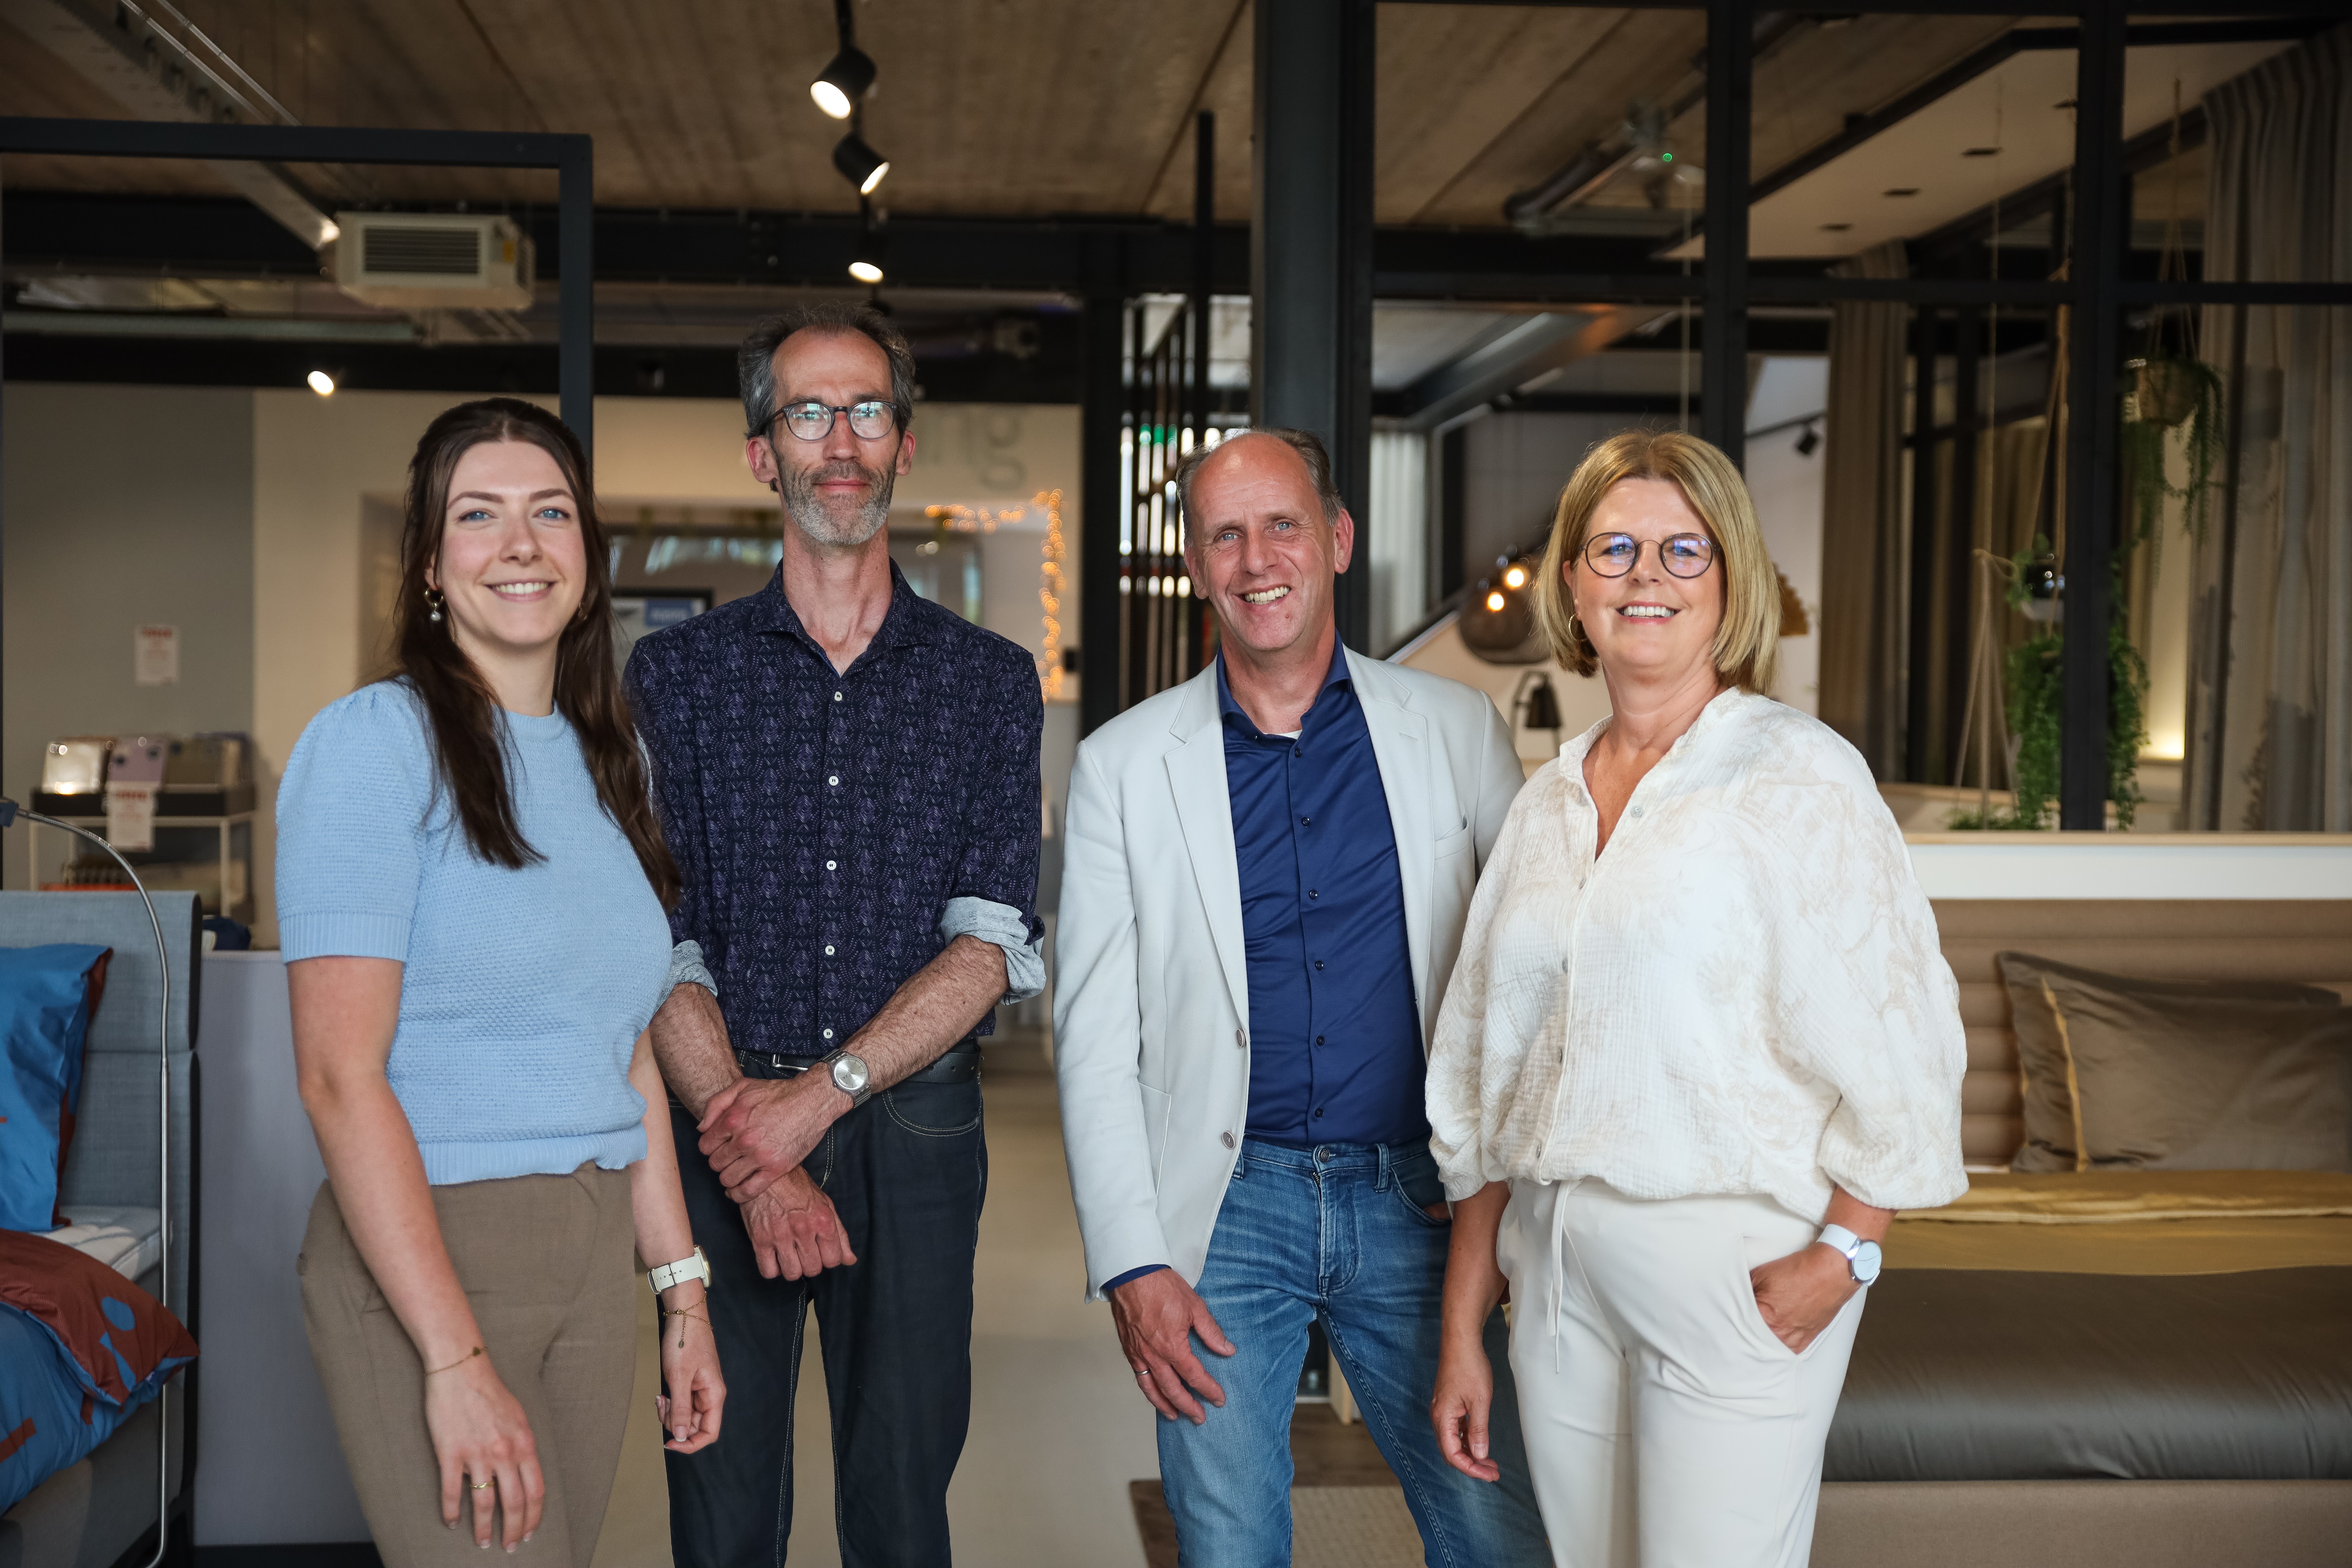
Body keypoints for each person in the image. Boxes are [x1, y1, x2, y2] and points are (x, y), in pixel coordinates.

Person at [1424, 429, 1967, 1568]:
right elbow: (1487, 1073)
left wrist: (1849, 1253)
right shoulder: (1547, 802)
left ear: (1733, 579)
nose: (1647, 576)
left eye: (1685, 549)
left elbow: (1906, 1038)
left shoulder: (1798, 776)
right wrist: (1463, 1323)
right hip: (1556, 1271)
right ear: (1573, 582)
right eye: (1614, 548)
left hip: (1733, 1264)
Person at [1056, 428, 1551, 1567]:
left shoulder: (1454, 732)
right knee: (1227, 1548)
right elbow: (1093, 1038)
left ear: (1337, 539)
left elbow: (1524, 982)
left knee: (1494, 1534)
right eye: (1225, 536)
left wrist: (1512, 1204)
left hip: (1420, 1202)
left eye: (1283, 525)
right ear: (1195, 564)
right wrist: (1133, 1261)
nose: (1256, 559)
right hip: (1225, 1212)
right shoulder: (1124, 768)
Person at [625, 302, 1045, 1566]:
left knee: (902, 1507)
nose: (842, 440)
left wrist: (815, 1103)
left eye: (867, 409)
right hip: (721, 1120)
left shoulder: (989, 681)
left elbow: (990, 942)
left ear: (904, 444)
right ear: (765, 454)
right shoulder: (677, 678)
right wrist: (754, 1150)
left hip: (912, 1132)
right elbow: (658, 940)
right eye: (808, 412)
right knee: (720, 1510)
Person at [281, 398, 724, 1567]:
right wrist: (453, 1359)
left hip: (595, 1257)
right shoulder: (374, 745)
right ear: (431, 566)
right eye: (479, 516)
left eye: (551, 513)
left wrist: (681, 1293)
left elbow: (628, 1053)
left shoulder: (607, 762)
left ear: (588, 554)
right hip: (435, 1254)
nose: (521, 544)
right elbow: (337, 1077)